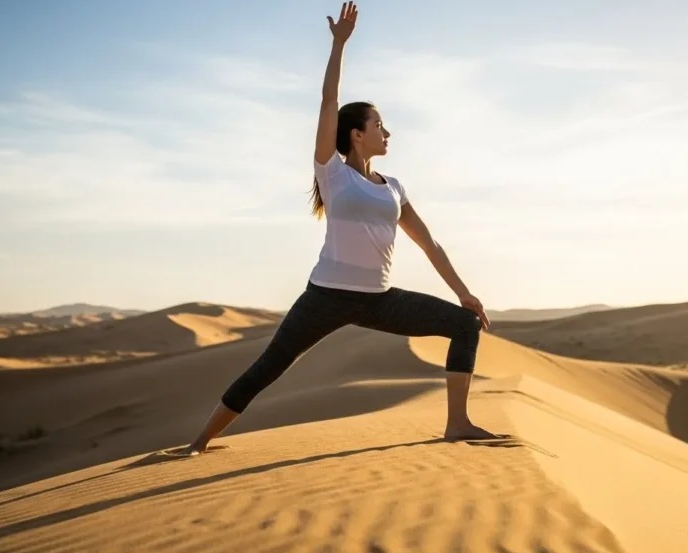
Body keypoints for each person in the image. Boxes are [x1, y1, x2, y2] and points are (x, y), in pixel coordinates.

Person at [184, 1, 499, 455]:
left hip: (380, 301)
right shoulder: (332, 173)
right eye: (379, 125)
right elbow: (329, 102)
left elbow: (430, 243)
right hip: (325, 298)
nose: (387, 133)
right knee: (269, 367)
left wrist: (463, 293)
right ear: (357, 133)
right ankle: (198, 443)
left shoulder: (393, 187)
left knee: (464, 324)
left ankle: (457, 423)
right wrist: (339, 46)